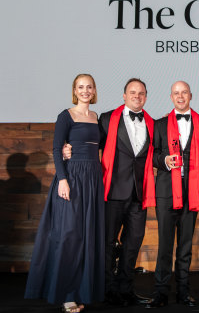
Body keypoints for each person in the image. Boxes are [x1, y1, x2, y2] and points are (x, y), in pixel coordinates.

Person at [65, 78, 156, 306]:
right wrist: (68, 149)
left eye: (141, 93)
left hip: (139, 194)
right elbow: (89, 143)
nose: (137, 96)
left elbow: (155, 154)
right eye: (132, 92)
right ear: (124, 96)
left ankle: (125, 290)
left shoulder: (153, 123)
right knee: (106, 244)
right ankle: (105, 290)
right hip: (112, 192)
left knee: (133, 244)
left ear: (146, 97)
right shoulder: (106, 119)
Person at [25, 74, 104, 313]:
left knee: (87, 237)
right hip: (72, 178)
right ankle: (66, 294)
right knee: (69, 236)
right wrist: (62, 179)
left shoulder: (95, 117)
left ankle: (81, 291)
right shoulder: (66, 116)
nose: (85, 91)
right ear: (74, 90)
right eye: (81, 87)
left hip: (92, 179)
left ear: (94, 90)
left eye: (89, 87)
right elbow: (56, 148)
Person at [145, 81, 199, 309]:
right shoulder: (159, 124)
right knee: (165, 246)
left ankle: (183, 292)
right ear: (171, 97)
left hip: (192, 192)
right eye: (176, 93)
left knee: (186, 246)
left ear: (190, 95)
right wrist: (164, 161)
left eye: (184, 93)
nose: (180, 97)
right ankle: (160, 293)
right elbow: (151, 155)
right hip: (166, 193)